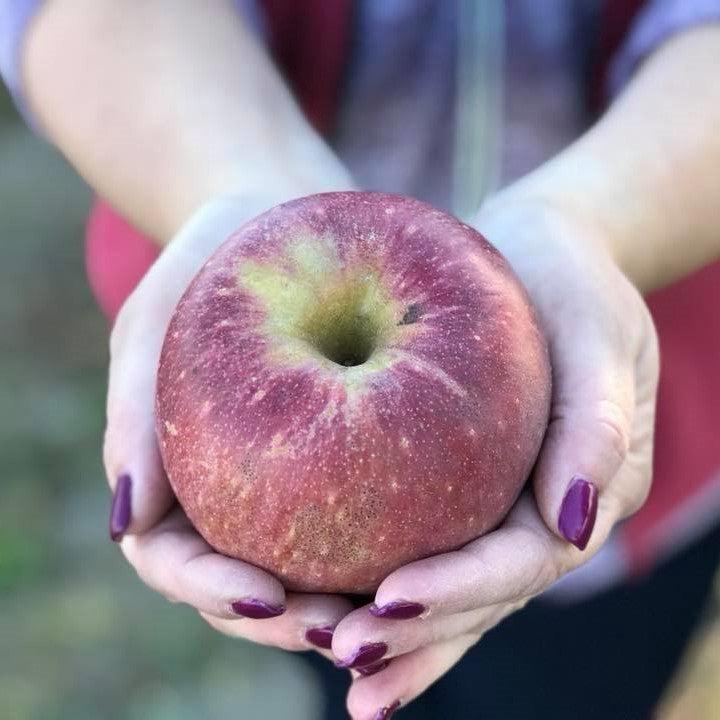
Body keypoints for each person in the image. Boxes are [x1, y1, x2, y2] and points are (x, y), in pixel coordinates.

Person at [2, 1, 720, 718]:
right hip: (270, 483)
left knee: (590, 683)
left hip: (646, 419)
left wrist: (595, 221)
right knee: (342, 667)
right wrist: (232, 179)